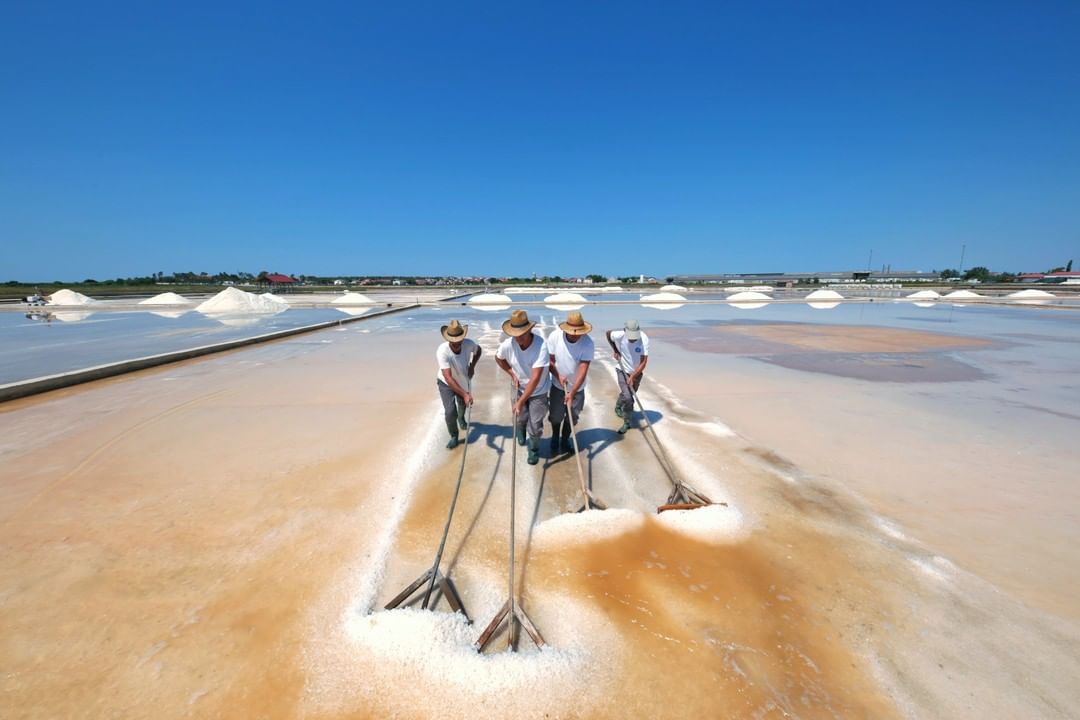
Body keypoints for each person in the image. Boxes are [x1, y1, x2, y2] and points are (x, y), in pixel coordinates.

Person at [495, 309, 550, 465]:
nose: (518, 338)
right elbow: (498, 359)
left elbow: (535, 378)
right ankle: (520, 431)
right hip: (519, 387)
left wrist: (520, 402)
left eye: (522, 333)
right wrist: (511, 373)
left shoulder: (541, 345)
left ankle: (533, 449)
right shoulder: (508, 344)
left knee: (536, 423)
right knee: (520, 417)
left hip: (538, 390)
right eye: (515, 334)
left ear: (529, 329)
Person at [547, 310, 595, 455]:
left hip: (577, 387)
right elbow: (550, 361)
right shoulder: (555, 336)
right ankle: (555, 436)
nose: (575, 335)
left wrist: (573, 392)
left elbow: (583, 368)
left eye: (578, 332)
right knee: (556, 416)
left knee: (572, 416)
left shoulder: (588, 343)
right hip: (557, 385)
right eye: (573, 331)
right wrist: (557, 375)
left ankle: (565, 439)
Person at [436, 319, 482, 449]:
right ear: (448, 339)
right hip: (446, 382)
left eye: (459, 341)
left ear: (463, 338)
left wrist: (472, 366)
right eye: (453, 342)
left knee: (462, 404)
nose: (456, 344)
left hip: (463, 379)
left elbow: (479, 350)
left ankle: (461, 418)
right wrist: (465, 394)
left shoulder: (469, 344)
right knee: (450, 412)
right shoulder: (442, 350)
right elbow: (448, 378)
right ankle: (454, 436)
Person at [606, 319, 649, 434]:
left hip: (637, 372)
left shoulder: (643, 339)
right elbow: (608, 333)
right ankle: (627, 423)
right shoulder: (619, 335)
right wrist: (615, 350)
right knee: (629, 398)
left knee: (628, 394)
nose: (633, 339)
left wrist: (633, 376)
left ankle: (618, 406)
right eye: (630, 336)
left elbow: (643, 362)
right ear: (625, 331)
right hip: (622, 369)